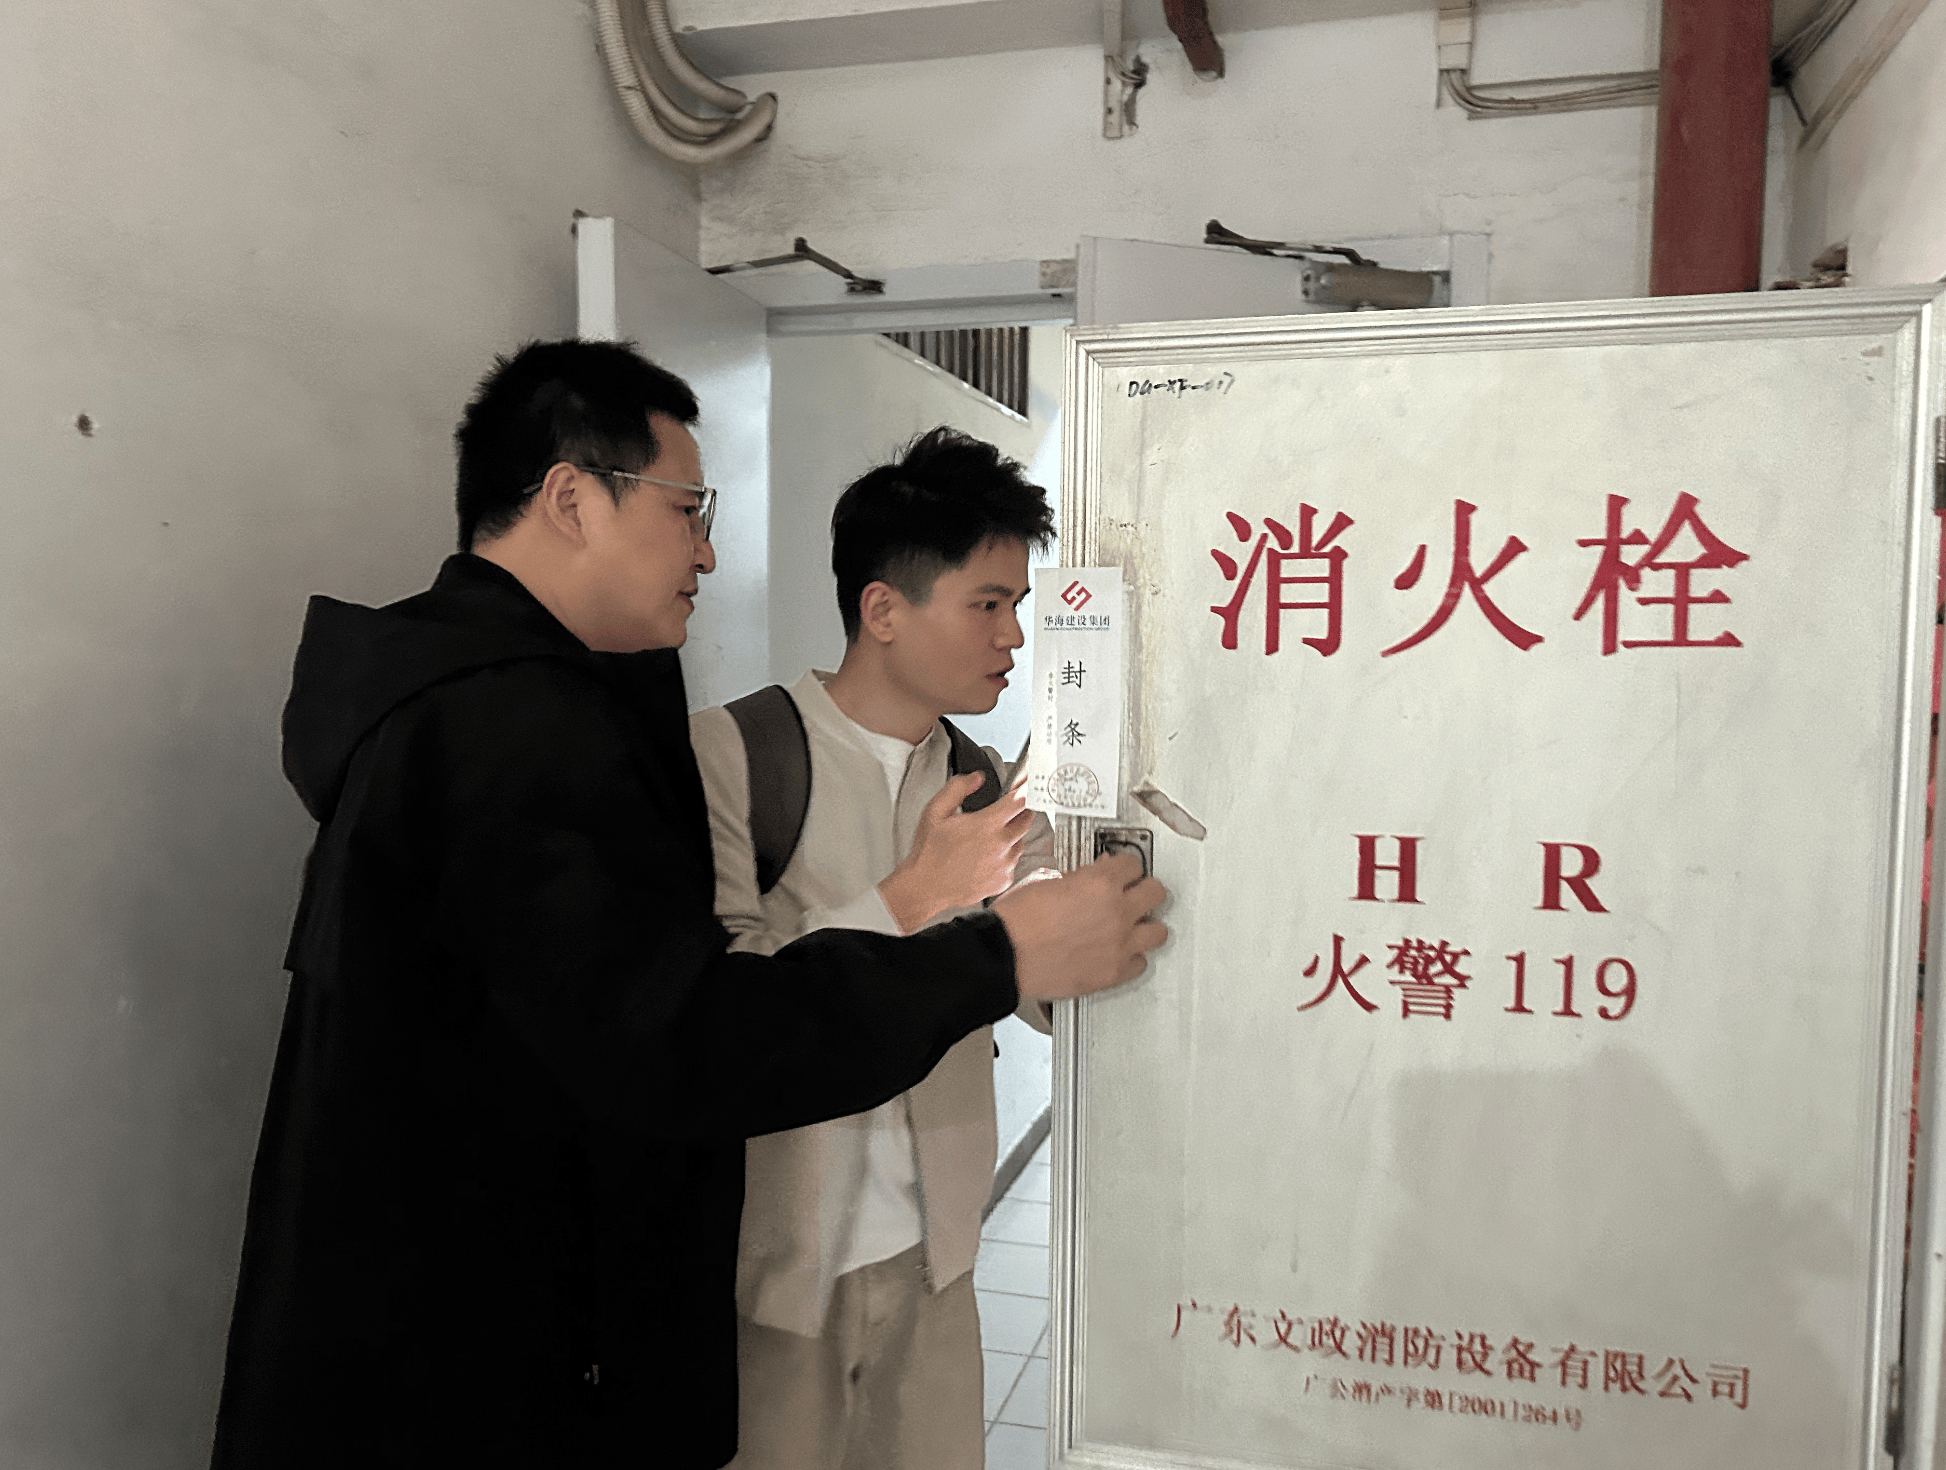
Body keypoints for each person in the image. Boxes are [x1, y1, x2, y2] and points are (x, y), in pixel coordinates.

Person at [209, 340, 1166, 1470]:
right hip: (482, 1352)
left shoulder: (496, 708)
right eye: (686, 508)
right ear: (572, 498)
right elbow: (690, 1038)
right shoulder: (523, 732)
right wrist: (979, 946)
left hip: (472, 1325)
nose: (708, 549)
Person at [690, 427, 1061, 1470]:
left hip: (940, 1260)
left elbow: (1044, 996)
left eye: (1019, 606)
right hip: (770, 1275)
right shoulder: (735, 753)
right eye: (987, 604)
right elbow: (719, 1011)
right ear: (884, 609)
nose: (1013, 636)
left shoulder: (987, 782)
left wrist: (1079, 865)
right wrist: (915, 894)